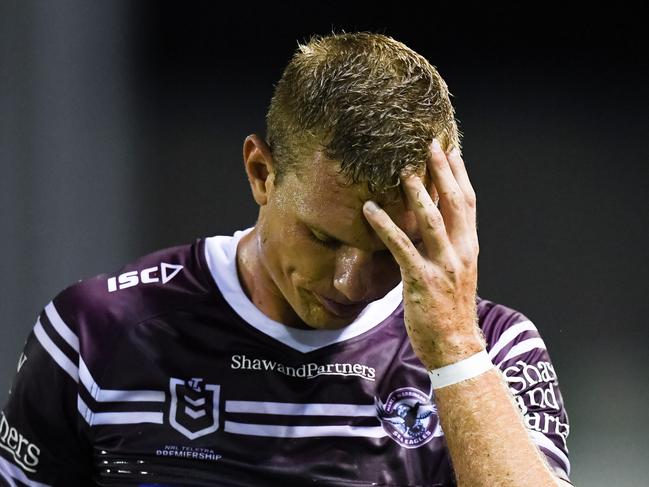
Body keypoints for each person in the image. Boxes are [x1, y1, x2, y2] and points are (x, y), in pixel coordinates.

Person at [0, 32, 572, 486]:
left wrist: (454, 349)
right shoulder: (94, 333)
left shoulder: (495, 351)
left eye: (389, 248)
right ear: (261, 173)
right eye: (324, 239)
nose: (352, 283)